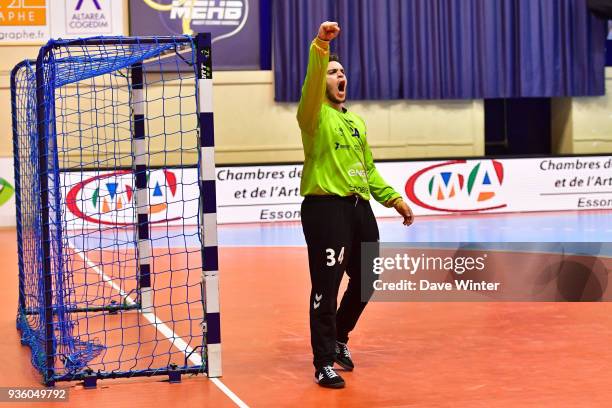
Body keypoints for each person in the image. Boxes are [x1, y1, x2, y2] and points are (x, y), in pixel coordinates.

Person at [297, 21, 414, 389]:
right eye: (333, 72)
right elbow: (313, 82)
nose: (339, 75)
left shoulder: (357, 123)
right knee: (326, 285)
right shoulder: (314, 116)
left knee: (367, 279)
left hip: (358, 208)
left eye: (342, 71)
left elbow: (368, 170)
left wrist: (393, 197)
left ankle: (340, 339)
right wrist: (322, 47)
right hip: (325, 209)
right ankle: (322, 361)